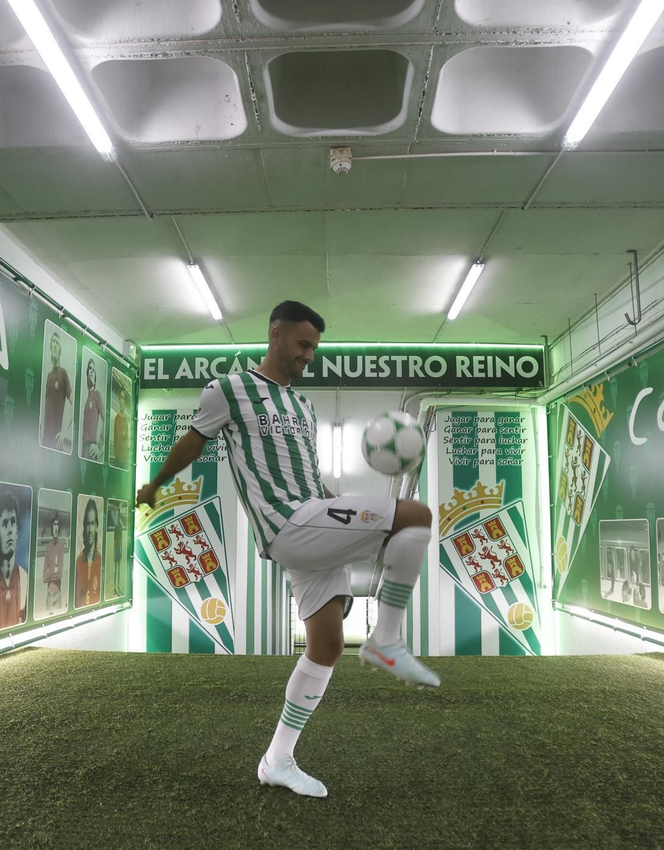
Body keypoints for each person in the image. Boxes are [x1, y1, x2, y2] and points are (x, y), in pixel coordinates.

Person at [137, 300, 437, 799]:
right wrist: (156, 485)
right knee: (416, 515)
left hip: (312, 519)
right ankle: (386, 640)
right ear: (275, 334)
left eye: (314, 348)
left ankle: (278, 759)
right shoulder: (229, 390)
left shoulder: (303, 405)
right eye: (302, 345)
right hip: (285, 524)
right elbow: (193, 440)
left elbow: (304, 470)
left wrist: (335, 505)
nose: (308, 356)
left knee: (328, 645)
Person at [0, 491, 27, 632]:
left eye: (13, 523)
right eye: (4, 524)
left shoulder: (25, 579)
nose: (9, 530)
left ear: (17, 532)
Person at [41, 333, 73, 453]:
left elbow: (74, 404)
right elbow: (46, 405)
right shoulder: (49, 376)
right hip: (45, 438)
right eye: (53, 342)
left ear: (60, 351)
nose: (54, 345)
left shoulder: (63, 373)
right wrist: (42, 431)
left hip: (55, 440)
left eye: (57, 343)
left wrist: (64, 431)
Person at [75, 498, 102, 607]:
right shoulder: (79, 561)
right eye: (87, 524)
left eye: (92, 523)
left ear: (96, 526)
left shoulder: (100, 561)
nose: (90, 529)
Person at [41, 514, 67, 613]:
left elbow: (59, 574)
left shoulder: (61, 546)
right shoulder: (48, 547)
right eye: (54, 524)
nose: (56, 527)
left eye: (57, 524)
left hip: (57, 593)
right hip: (49, 594)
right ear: (51, 528)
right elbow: (44, 576)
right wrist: (53, 571)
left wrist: (49, 572)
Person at [81, 360, 105, 462]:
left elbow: (106, 420)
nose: (91, 371)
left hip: (91, 446)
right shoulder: (87, 399)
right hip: (83, 446)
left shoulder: (97, 395)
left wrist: (99, 445)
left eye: (93, 370)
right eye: (90, 369)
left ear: (95, 378)